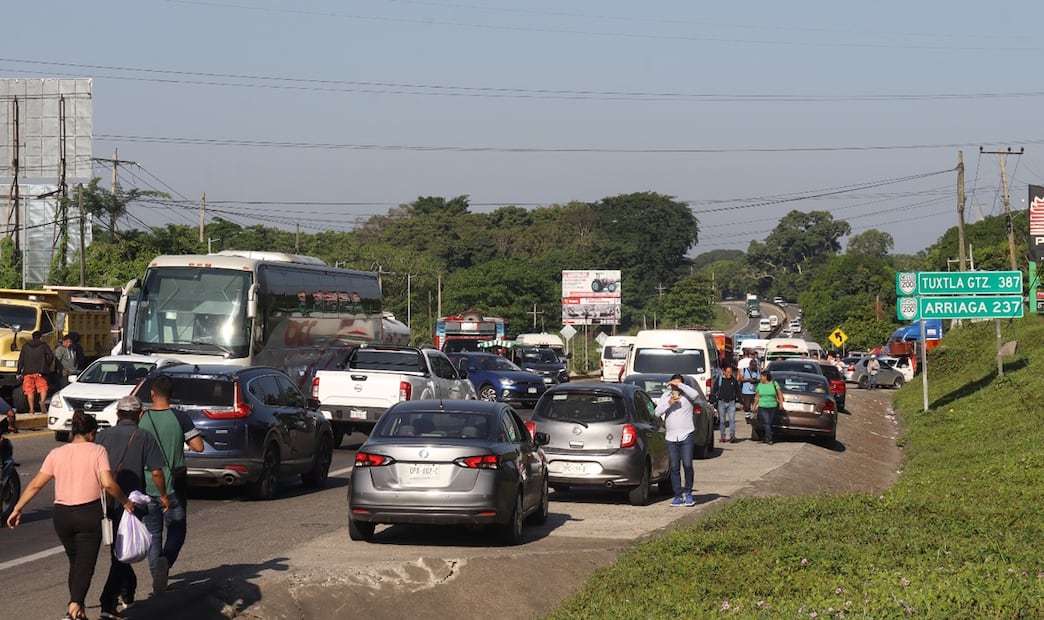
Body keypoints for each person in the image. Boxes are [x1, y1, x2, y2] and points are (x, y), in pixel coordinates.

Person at [7, 410, 134, 620]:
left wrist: (17, 507)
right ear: (92, 433)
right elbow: (109, 484)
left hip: (62, 516)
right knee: (85, 564)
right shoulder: (97, 451)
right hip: (88, 513)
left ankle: (79, 611)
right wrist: (126, 502)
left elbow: (37, 484)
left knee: (75, 562)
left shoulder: (56, 453)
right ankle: (73, 607)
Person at [95, 395, 171, 618]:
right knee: (121, 554)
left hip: (103, 500)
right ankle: (107, 602)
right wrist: (164, 495)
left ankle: (127, 592)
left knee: (119, 551)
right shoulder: (144, 436)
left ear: (117, 414)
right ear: (140, 415)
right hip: (129, 504)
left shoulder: (101, 436)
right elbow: (156, 471)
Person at [139, 374, 204, 595]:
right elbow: (199, 447)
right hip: (174, 483)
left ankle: (157, 575)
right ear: (172, 395)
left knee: (153, 532)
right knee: (177, 529)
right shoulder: (180, 418)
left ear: (152, 393)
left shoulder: (142, 418)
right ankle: (165, 560)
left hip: (148, 484)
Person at [654, 374, 700, 508]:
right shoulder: (666, 396)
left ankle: (688, 493)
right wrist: (669, 404)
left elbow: (696, 394)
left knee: (687, 464)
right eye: (673, 385)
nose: (675, 387)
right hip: (671, 436)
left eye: (678, 384)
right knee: (674, 467)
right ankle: (677, 495)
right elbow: (657, 413)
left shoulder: (688, 395)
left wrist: (680, 385)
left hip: (687, 434)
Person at [16, 329, 55, 415]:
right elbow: (51, 355)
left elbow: (21, 360)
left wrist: (18, 371)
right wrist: (46, 365)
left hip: (27, 372)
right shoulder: (43, 345)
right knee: (43, 387)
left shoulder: (25, 346)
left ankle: (31, 409)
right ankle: (42, 401)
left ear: (32, 337)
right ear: (40, 337)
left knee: (30, 391)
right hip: (40, 371)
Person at [752, 369, 784, 445]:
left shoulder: (774, 383)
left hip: (772, 406)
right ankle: (769, 438)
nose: (760, 378)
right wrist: (755, 405)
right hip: (762, 406)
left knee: (769, 422)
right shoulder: (760, 385)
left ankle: (766, 436)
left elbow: (779, 394)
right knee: (767, 421)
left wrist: (781, 403)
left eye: (761, 376)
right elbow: (757, 396)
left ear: (766, 376)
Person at [711, 365, 741, 443]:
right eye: (728, 372)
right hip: (721, 402)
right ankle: (722, 436)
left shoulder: (733, 380)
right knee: (722, 421)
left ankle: (732, 435)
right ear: (724, 372)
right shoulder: (720, 380)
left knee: (731, 420)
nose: (730, 374)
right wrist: (713, 401)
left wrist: (741, 401)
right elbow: (714, 390)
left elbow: (737, 391)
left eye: (731, 372)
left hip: (731, 402)